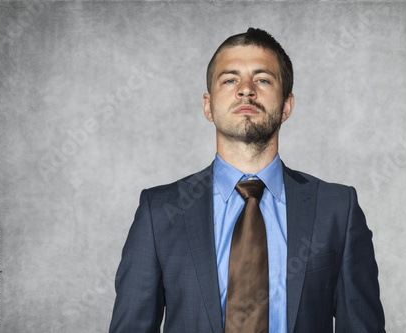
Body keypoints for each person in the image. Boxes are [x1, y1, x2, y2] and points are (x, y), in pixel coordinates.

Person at [109, 27, 385, 333]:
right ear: (207, 106)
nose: (246, 90)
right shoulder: (158, 212)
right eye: (230, 79)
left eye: (263, 79)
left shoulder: (337, 209)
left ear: (287, 106)